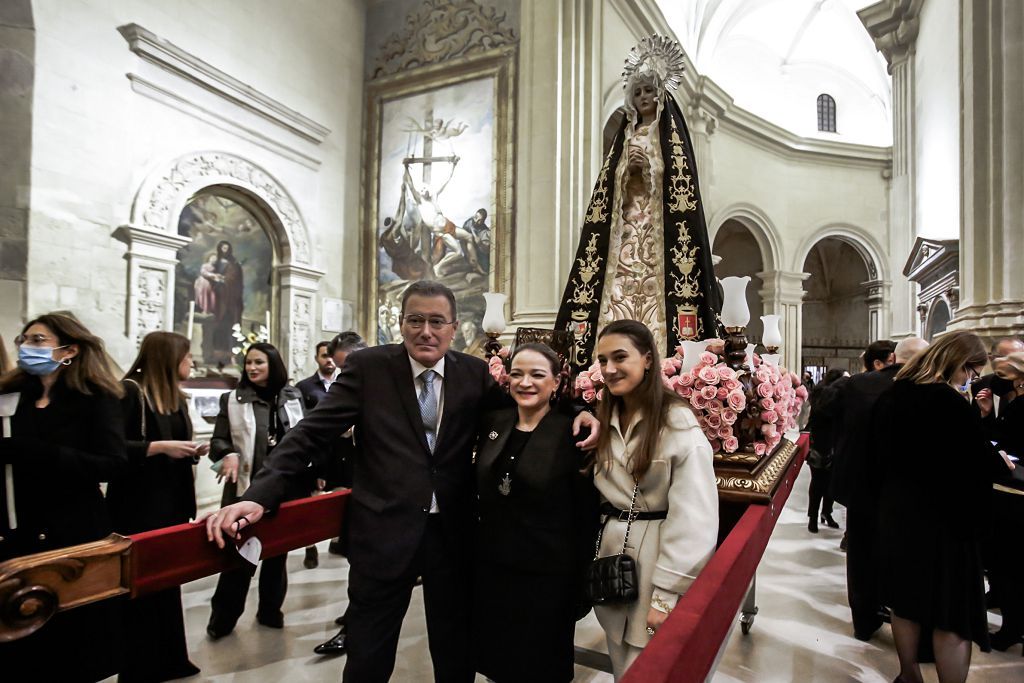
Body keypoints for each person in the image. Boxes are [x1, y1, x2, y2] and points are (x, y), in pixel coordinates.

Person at [203, 280, 599, 682]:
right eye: (415, 320)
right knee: (368, 654)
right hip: (383, 534)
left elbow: (527, 403)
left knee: (455, 649)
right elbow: (310, 434)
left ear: (454, 327)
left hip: (453, 538)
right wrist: (259, 496)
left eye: (437, 321)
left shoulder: (474, 373)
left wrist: (578, 413)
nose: (426, 331)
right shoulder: (368, 368)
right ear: (400, 323)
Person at [556, 38, 721, 371]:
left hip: (660, 229)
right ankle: (603, 356)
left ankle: (662, 356)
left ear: (661, 94)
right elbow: (607, 184)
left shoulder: (670, 134)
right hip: (625, 224)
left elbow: (678, 181)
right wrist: (625, 169)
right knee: (616, 283)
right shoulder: (627, 134)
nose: (644, 97)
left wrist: (648, 165)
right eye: (638, 92)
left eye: (650, 91)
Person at [872, 331, 1014, 683]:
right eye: (972, 371)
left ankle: (908, 675)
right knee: (952, 614)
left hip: (901, 516)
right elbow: (974, 464)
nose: (972, 379)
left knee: (907, 602)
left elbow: (877, 456)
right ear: (957, 362)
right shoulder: (948, 402)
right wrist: (998, 461)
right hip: (947, 524)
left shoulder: (893, 394)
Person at [0, 313, 127, 681]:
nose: (26, 347)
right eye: (23, 340)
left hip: (72, 532)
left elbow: (112, 464)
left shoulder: (96, 397)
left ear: (69, 349)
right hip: (17, 533)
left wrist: (39, 452)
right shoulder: (10, 395)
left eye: (38, 340)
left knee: (72, 640)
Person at [591, 320, 718, 679]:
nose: (609, 369)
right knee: (621, 658)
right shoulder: (608, 413)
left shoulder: (676, 422)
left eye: (620, 357)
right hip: (615, 557)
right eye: (602, 360)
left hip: (656, 561)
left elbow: (695, 517)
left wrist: (665, 594)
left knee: (650, 666)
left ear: (648, 359)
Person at [473, 343, 599, 682]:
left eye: (537, 375)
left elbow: (585, 515)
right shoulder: (493, 421)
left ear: (556, 382)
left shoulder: (573, 432)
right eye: (517, 374)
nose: (525, 382)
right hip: (494, 566)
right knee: (498, 660)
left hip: (548, 573)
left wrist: (581, 579)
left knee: (540, 665)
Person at [107, 330, 206, 681]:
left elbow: (173, 445)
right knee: (140, 588)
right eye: (186, 356)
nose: (191, 362)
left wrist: (191, 451)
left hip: (171, 503)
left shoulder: (175, 398)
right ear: (168, 359)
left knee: (167, 583)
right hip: (139, 505)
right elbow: (113, 450)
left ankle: (169, 657)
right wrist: (159, 448)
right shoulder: (131, 393)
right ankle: (138, 665)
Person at [205, 342, 306, 639]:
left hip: (284, 491)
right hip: (245, 491)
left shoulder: (292, 396)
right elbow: (217, 442)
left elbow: (302, 438)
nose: (252, 368)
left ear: (273, 365)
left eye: (259, 362)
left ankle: (270, 610)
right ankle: (222, 619)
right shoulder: (232, 399)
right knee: (239, 559)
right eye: (248, 363)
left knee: (277, 557)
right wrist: (227, 453)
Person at [830, 336, 928, 640]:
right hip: (902, 488)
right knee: (902, 555)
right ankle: (903, 617)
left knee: (860, 554)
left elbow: (826, 414)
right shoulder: (922, 388)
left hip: (859, 483)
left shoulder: (856, 383)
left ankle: (863, 621)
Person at [314, 330, 368, 657]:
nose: (341, 375)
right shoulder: (345, 387)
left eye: (346, 367)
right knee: (358, 566)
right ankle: (352, 622)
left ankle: (352, 628)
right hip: (354, 483)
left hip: (382, 494)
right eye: (338, 369)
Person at [978, 351, 1024, 650]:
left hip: (1015, 493)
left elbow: (1008, 443)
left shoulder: (1021, 404)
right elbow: (1000, 437)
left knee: (1011, 563)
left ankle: (1012, 628)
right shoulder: (1015, 402)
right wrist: (986, 414)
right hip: (1008, 487)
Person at [296, 339, 340, 568]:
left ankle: (336, 540)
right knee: (311, 503)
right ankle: (310, 547)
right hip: (316, 453)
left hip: (339, 454)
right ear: (317, 358)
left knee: (338, 500)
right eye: (324, 355)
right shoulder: (304, 388)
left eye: (332, 355)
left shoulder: (344, 383)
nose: (329, 360)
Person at [805, 368, 847, 533]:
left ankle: (825, 513)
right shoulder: (823, 396)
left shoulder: (837, 396)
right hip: (822, 444)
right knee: (818, 484)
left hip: (834, 444)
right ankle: (813, 517)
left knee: (829, 483)